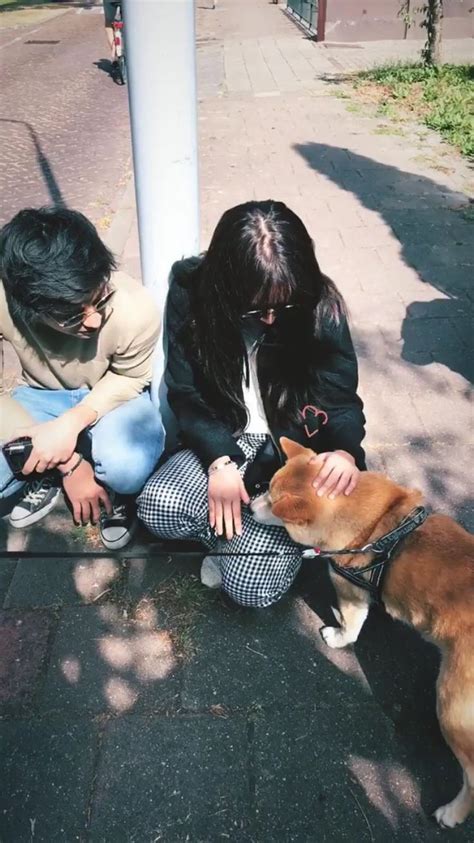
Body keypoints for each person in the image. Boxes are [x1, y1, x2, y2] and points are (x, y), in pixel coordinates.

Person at [138, 200, 365, 605]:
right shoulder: (192, 295)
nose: (271, 318)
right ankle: (238, 534)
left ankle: (243, 537)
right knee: (159, 507)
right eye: (256, 307)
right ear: (225, 286)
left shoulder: (320, 306)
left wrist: (345, 452)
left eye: (285, 305)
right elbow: (186, 391)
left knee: (251, 589)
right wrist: (219, 460)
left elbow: (340, 397)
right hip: (227, 434)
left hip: (291, 451)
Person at [0, 207, 164, 549]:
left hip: (113, 395)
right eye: (71, 315)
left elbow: (130, 377)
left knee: (128, 467)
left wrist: (70, 424)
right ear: (26, 304)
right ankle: (49, 467)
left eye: (100, 298)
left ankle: (115, 489)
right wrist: (68, 464)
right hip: (40, 394)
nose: (93, 321)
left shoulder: (135, 307)